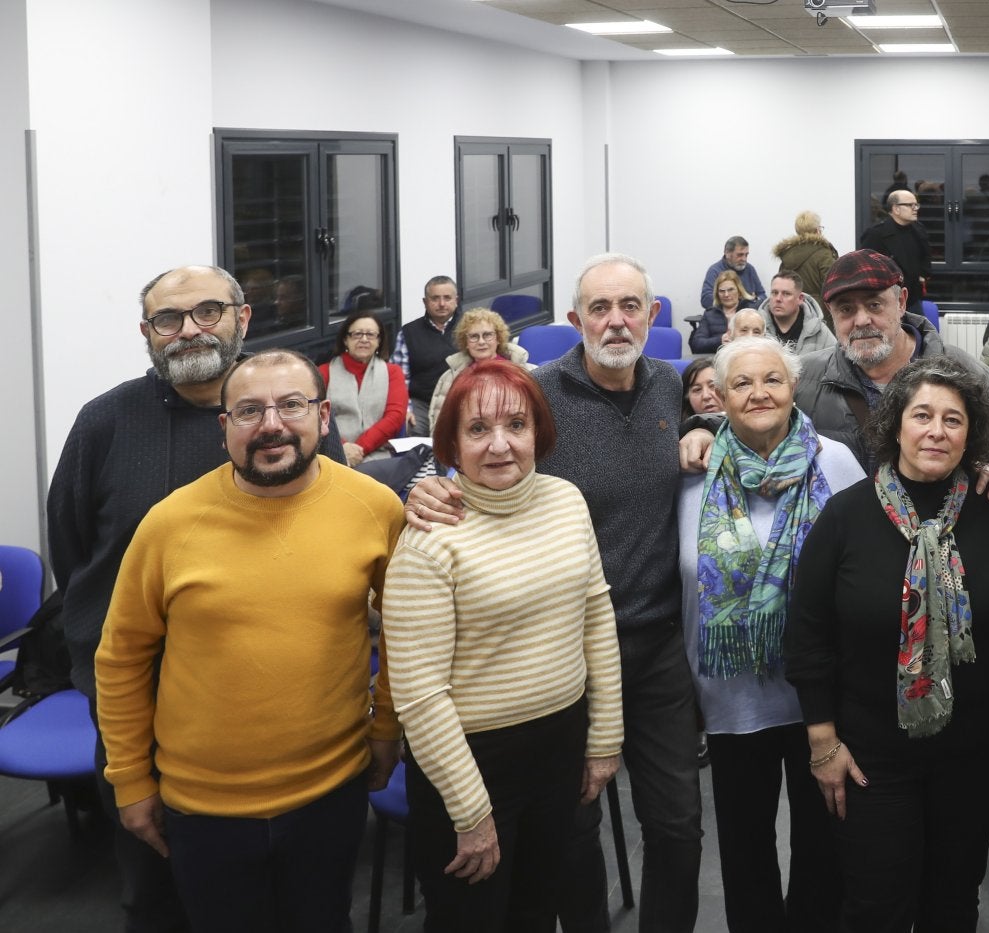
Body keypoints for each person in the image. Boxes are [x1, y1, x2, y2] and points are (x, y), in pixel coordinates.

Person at [407, 253, 703, 933]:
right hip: (561, 650)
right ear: (575, 320)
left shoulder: (671, 385)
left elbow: (730, 415)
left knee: (679, 826)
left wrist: (703, 427)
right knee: (572, 833)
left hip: (657, 647)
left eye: (630, 305)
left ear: (652, 315)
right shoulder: (537, 391)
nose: (617, 320)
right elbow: (457, 449)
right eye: (599, 308)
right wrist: (413, 489)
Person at [48, 264, 346, 933]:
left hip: (287, 717)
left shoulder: (291, 420)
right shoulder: (104, 424)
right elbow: (74, 558)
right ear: (147, 333)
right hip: (142, 713)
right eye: (169, 319)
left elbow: (341, 519)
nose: (190, 330)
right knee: (158, 897)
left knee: (298, 899)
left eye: (208, 310)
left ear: (243, 316)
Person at [95, 350, 403, 933]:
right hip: (201, 806)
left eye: (291, 405)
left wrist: (385, 726)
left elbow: (406, 631)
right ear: (224, 427)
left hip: (331, 792)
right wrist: (131, 781)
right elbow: (121, 659)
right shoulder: (169, 524)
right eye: (249, 410)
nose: (271, 425)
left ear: (323, 417)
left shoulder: (374, 508)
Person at [382, 360, 623, 931]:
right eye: (477, 429)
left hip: (560, 743)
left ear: (538, 431)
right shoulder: (430, 540)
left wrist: (604, 738)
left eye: (516, 425)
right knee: (474, 919)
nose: (499, 446)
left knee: (537, 913)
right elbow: (421, 696)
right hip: (468, 763)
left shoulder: (566, 501)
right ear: (451, 443)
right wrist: (471, 812)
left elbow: (595, 614)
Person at [786, 359, 989, 932]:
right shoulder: (847, 515)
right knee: (877, 904)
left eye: (953, 419)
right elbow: (807, 633)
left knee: (953, 898)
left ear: (973, 434)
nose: (936, 431)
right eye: (922, 416)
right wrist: (822, 744)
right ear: (897, 426)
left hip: (976, 752)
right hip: (871, 754)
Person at [679, 336, 864, 933]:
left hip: (822, 700)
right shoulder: (693, 470)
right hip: (731, 697)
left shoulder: (835, 462)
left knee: (823, 846)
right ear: (720, 400)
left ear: (793, 389)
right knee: (743, 848)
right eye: (741, 383)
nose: (759, 393)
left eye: (773, 380)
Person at [793, 249, 989, 495]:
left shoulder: (965, 373)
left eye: (874, 305)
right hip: (842, 529)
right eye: (846, 309)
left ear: (902, 302)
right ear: (830, 313)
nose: (862, 320)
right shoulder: (804, 379)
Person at [317, 308, 406, 468]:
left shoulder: (393, 372)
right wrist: (342, 448)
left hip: (378, 454)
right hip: (332, 452)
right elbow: (316, 415)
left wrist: (360, 449)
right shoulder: (323, 372)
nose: (364, 339)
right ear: (345, 339)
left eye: (371, 335)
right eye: (357, 334)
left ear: (379, 341)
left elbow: (395, 417)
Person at [426, 307, 533, 433]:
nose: (481, 342)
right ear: (466, 342)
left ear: (498, 338)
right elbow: (439, 428)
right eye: (474, 336)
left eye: (487, 335)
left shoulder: (526, 371)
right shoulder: (449, 377)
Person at [390, 275, 462, 434]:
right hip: (422, 403)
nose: (442, 304)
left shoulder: (469, 328)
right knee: (410, 429)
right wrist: (406, 408)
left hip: (461, 402)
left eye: (447, 298)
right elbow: (400, 378)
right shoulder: (408, 332)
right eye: (435, 298)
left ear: (456, 300)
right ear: (425, 302)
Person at [859, 189, 933, 307]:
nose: (915, 208)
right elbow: (866, 268)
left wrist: (923, 274)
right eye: (910, 205)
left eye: (916, 205)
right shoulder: (876, 234)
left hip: (913, 298)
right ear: (896, 209)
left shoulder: (919, 230)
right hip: (885, 301)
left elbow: (926, 257)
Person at [773, 211, 839, 324]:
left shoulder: (787, 254)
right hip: (821, 313)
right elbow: (833, 285)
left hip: (794, 310)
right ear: (817, 230)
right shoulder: (824, 253)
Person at [757, 270, 838, 354]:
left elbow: (836, 362)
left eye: (786, 294)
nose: (778, 299)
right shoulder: (756, 327)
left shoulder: (818, 331)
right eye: (774, 293)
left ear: (800, 299)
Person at [691, 269, 753, 354]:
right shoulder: (709, 314)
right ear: (717, 294)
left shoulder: (750, 312)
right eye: (722, 291)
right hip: (716, 360)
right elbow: (696, 344)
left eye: (731, 290)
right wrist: (720, 340)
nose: (726, 295)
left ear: (739, 291)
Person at [701, 235, 765, 310]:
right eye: (740, 255)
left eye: (746, 255)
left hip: (749, 317)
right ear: (727, 253)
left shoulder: (750, 269)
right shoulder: (714, 271)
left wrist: (756, 300)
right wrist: (736, 302)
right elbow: (706, 300)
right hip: (723, 318)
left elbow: (762, 296)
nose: (744, 259)